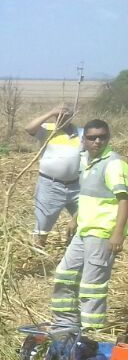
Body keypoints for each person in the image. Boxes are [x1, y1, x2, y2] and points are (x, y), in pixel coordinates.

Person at [51, 119, 128, 334]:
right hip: (84, 231)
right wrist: (74, 217)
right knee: (64, 275)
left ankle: (90, 335)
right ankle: (65, 327)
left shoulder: (113, 164)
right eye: (92, 137)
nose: (97, 141)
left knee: (91, 287)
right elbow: (89, 196)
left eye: (102, 137)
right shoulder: (87, 161)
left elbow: (124, 200)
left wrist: (118, 234)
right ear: (84, 140)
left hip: (102, 234)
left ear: (108, 138)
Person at [24, 104, 83, 250]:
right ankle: (38, 252)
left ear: (72, 116)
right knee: (43, 224)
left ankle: (75, 247)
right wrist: (51, 112)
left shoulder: (81, 132)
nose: (61, 118)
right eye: (59, 115)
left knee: (84, 216)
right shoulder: (47, 130)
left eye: (66, 115)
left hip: (76, 185)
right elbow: (28, 128)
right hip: (50, 185)